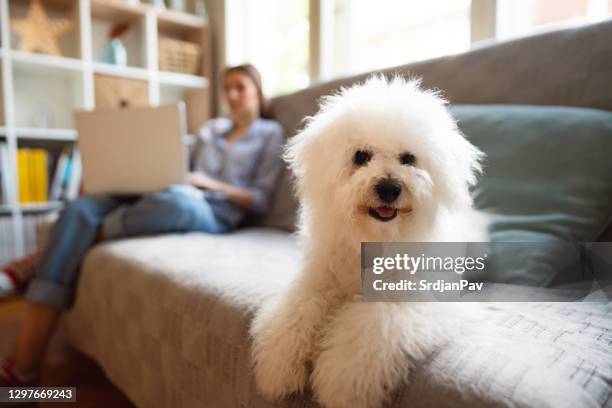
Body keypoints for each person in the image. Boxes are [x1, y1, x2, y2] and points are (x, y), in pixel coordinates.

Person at [0, 64, 285, 385]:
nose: (232, 95)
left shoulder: (269, 133)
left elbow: (259, 199)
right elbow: (177, 170)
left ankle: (37, 262)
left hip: (214, 212)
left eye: (241, 87)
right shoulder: (210, 131)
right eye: (227, 88)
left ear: (258, 92)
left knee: (176, 202)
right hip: (170, 193)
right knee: (81, 208)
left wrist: (210, 184)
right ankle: (23, 369)